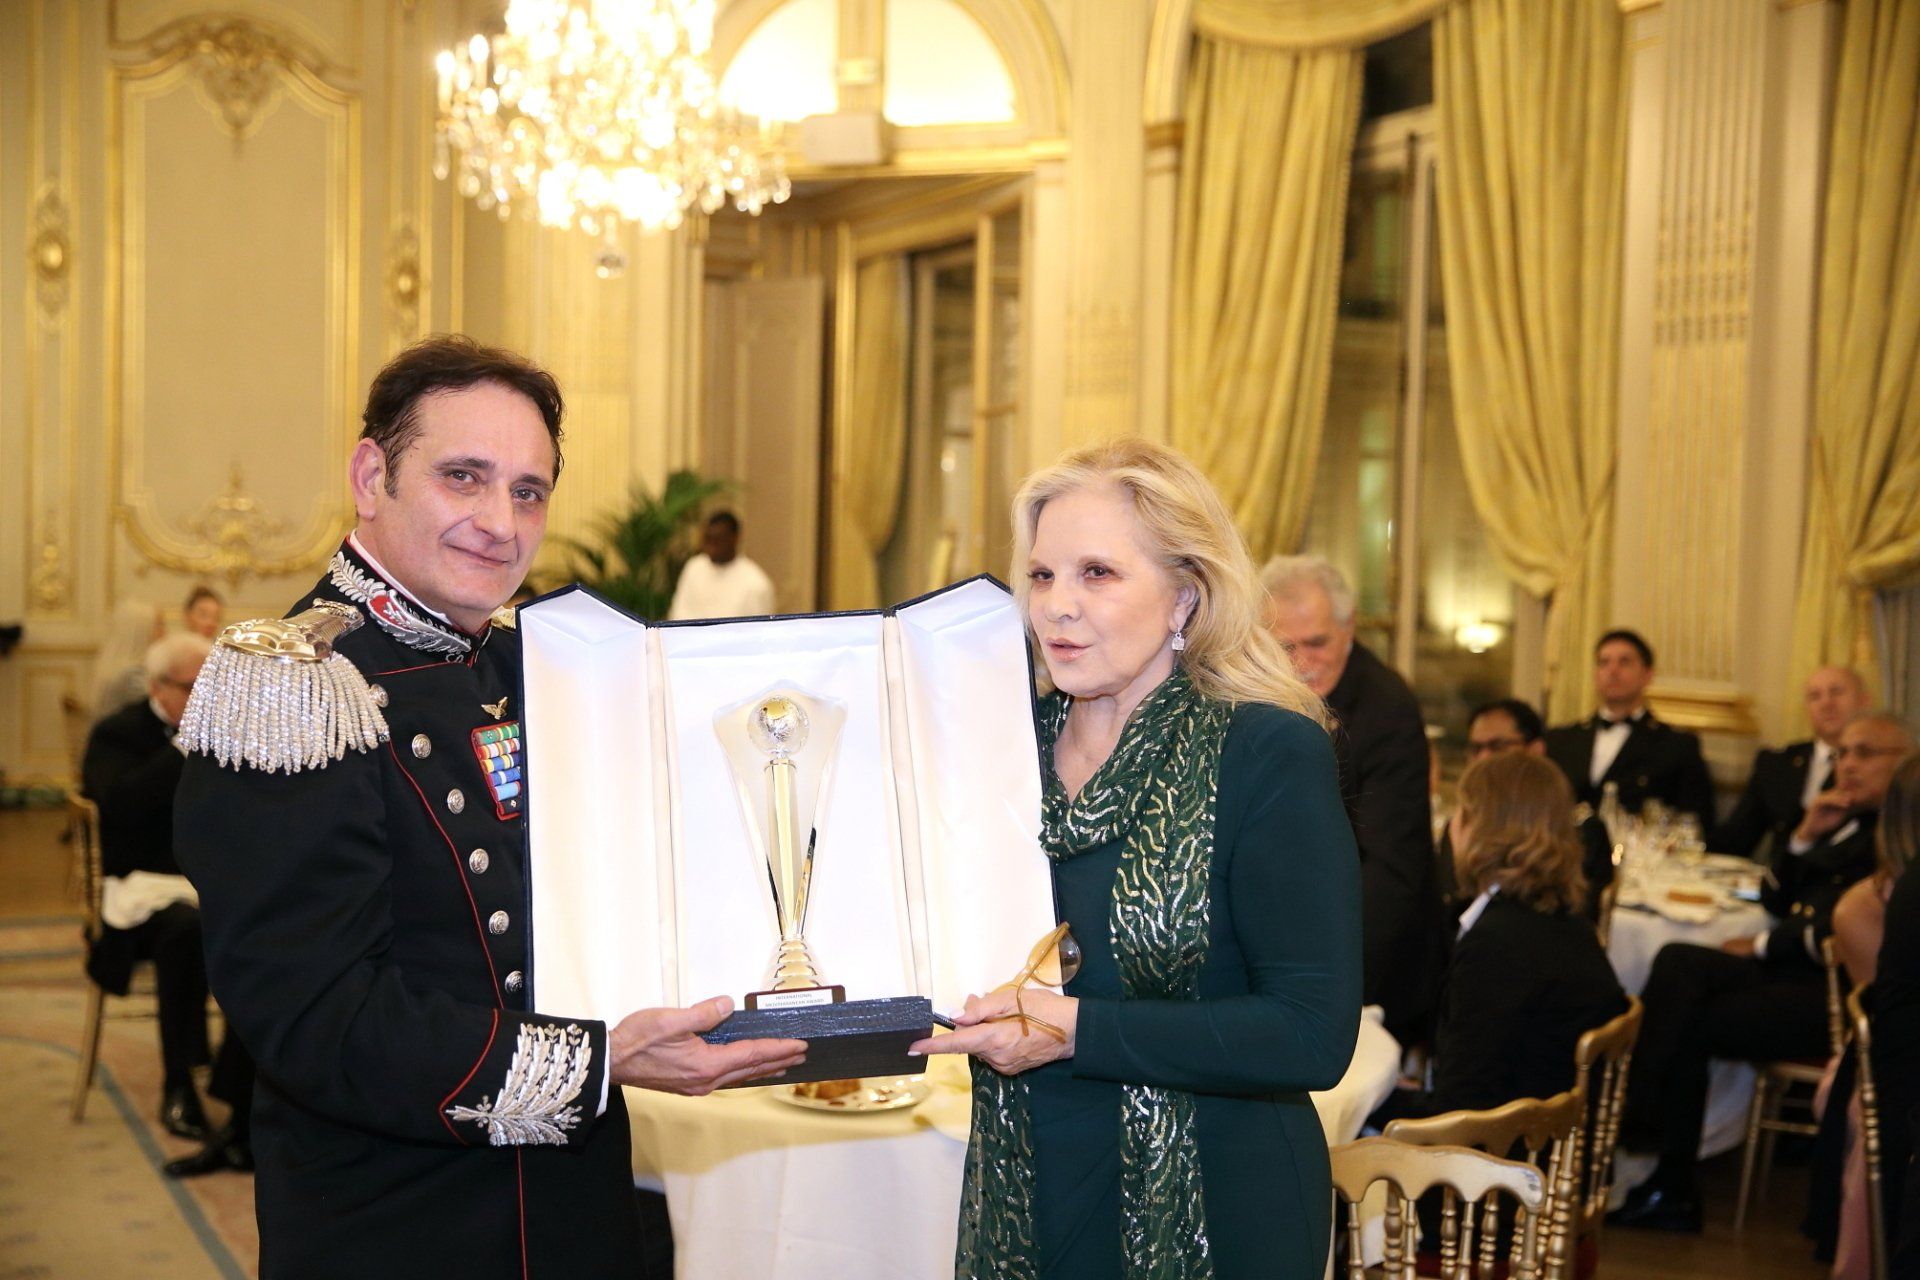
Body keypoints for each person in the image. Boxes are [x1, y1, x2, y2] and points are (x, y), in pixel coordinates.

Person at [173, 336, 806, 1279]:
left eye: (528, 491)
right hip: (399, 1219)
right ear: (371, 476)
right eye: (462, 477)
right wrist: (595, 1065)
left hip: (573, 1201)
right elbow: (319, 1020)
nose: (499, 523)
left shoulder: (534, 661)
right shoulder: (296, 686)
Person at [914, 439, 1362, 1280]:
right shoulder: (1000, 749)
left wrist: (1076, 1031)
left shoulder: (1264, 752)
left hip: (1220, 1207)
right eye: (1042, 575)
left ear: (1185, 596)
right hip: (1029, 1184)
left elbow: (1311, 1034)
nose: (1057, 607)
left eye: (1098, 573)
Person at [1613, 712, 1916, 1232]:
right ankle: (1648, 1140)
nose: (1847, 765)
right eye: (1842, 753)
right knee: (1677, 961)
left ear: (1904, 762)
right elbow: (1775, 900)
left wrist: (1758, 945)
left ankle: (1664, 1171)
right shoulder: (1839, 819)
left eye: (1865, 753)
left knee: (1692, 1018)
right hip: (1791, 973)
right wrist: (1802, 837)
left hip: (1831, 995)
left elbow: (1835, 930)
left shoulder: (1897, 836)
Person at [1375, 751, 1626, 1121]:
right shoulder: (1567, 922)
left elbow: (1459, 1114)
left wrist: (1375, 1102)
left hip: (1508, 1147)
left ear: (1480, 830)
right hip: (1549, 1130)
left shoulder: (1496, 946)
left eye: (1460, 813)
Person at [81, 631, 254, 1162]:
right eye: (192, 687)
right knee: (186, 931)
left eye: (211, 686)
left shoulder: (229, 731)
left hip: (210, 883)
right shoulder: (118, 732)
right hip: (140, 888)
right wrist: (182, 748)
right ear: (158, 686)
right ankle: (180, 1081)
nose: (205, 698)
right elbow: (119, 806)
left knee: (269, 932)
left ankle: (241, 1096)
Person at [1263, 553, 1440, 1045]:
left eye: (1317, 643)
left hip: (1368, 956)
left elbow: (1390, 869)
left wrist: (1331, 980)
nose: (1300, 662)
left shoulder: (1387, 709)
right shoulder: (1262, 693)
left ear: (1349, 628)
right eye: (1285, 645)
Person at [1436, 699, 1616, 919]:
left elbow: (1578, 914)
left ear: (1535, 750)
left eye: (1497, 746)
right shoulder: (1461, 825)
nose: (1483, 758)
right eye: (1476, 749)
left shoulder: (1580, 830)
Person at [1544, 629, 1715, 828]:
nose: (1613, 670)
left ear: (1648, 675)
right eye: (1604, 662)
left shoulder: (1676, 746)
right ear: (1595, 675)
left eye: (1624, 662)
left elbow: (1695, 821)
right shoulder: (1561, 740)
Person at [1715, 666, 1870, 861]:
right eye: (1815, 696)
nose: (1826, 704)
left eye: (1836, 692)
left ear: (1864, 701)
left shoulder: (1875, 767)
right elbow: (1735, 840)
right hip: (1782, 873)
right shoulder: (1777, 764)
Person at [666, 510, 776, 620]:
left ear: (734, 538)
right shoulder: (694, 567)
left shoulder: (755, 583)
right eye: (708, 540)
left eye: (717, 541)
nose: (710, 548)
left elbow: (757, 628)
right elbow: (677, 613)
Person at [89, 598, 165, 719]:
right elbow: (162, 711)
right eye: (159, 625)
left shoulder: (121, 667)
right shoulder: (133, 674)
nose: (165, 632)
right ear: (141, 631)